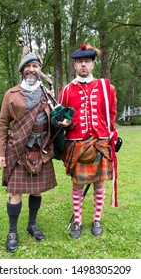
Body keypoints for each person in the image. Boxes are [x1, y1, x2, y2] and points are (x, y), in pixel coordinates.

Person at [0, 49, 71, 252]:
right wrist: (0, 153)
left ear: (39, 70)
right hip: (18, 147)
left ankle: (32, 224)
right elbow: (3, 125)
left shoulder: (48, 93)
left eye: (35, 66)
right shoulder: (11, 94)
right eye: (27, 66)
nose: (31, 70)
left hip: (41, 148)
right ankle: (12, 231)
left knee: (37, 190)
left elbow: (54, 118)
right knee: (15, 192)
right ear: (22, 71)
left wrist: (62, 121)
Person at [58, 43, 118, 239]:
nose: (83, 65)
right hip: (77, 144)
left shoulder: (106, 88)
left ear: (93, 65)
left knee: (100, 184)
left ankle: (97, 219)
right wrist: (62, 122)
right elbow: (59, 115)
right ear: (75, 66)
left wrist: (111, 135)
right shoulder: (66, 90)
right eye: (79, 62)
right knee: (77, 185)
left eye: (87, 62)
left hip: (100, 143)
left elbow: (112, 114)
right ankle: (78, 221)